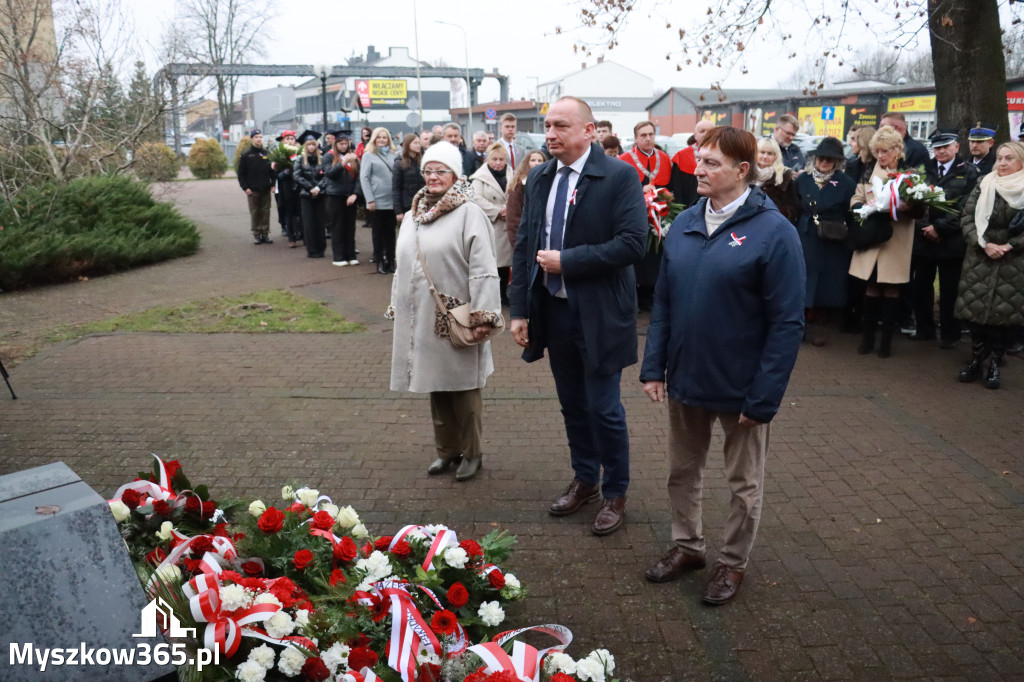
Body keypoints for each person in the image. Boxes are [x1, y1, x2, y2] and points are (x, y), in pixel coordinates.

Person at [639, 126, 805, 606]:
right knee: (681, 472)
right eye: (698, 160)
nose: (698, 169)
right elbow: (664, 301)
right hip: (687, 378)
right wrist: (654, 367)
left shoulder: (775, 233)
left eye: (711, 163)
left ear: (742, 170)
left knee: (743, 484)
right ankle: (688, 547)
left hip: (742, 386)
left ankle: (732, 564)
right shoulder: (687, 222)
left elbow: (787, 322)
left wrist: (765, 396)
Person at [508, 96, 647, 536]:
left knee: (604, 408)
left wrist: (569, 260)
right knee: (572, 405)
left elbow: (632, 244)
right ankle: (586, 478)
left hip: (601, 314)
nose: (550, 134)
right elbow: (526, 243)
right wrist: (519, 310)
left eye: (561, 126)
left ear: (590, 131)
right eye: (548, 126)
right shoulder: (541, 177)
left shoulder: (620, 175)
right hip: (554, 312)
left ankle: (616, 491)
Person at [387, 141, 502, 481]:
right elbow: (402, 263)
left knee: (464, 388)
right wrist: (398, 304)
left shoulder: (469, 213)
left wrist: (485, 315)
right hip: (422, 316)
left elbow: (483, 268)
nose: (433, 177)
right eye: (428, 170)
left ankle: (473, 452)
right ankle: (446, 451)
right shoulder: (413, 215)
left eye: (441, 171)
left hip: (458, 317)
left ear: (455, 175)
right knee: (435, 385)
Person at [953, 141, 1024, 389]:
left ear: (1021, 162)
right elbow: (967, 218)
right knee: (976, 314)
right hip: (980, 257)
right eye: (1000, 158)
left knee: (1000, 317)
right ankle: (975, 361)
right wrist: (983, 244)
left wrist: (1010, 245)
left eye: (1009, 159)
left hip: (1012, 261)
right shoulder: (985, 183)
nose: (1002, 163)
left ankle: (994, 365)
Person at [849, 125, 918, 358]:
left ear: (897, 150)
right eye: (877, 151)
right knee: (870, 287)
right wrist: (864, 208)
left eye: (885, 151)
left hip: (896, 240)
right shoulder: (868, 171)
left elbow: (921, 208)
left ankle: (886, 342)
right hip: (871, 236)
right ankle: (867, 339)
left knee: (890, 288)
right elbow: (856, 198)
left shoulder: (909, 173)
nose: (880, 156)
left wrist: (907, 206)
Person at [909, 128, 978, 347]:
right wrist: (926, 227)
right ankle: (924, 329)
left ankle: (950, 335)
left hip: (952, 241)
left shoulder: (969, 172)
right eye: (937, 148)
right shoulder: (922, 170)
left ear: (956, 147)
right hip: (923, 239)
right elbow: (913, 201)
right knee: (921, 287)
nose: (940, 152)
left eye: (945, 147)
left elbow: (967, 207)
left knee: (950, 290)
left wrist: (940, 228)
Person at [793, 137, 856, 346]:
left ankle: (820, 328)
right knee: (802, 281)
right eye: (822, 158)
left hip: (832, 240)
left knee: (827, 286)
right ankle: (798, 328)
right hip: (806, 236)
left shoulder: (846, 184)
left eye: (830, 159)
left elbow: (850, 214)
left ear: (837, 162)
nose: (825, 162)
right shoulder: (803, 180)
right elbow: (794, 207)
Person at [470, 143, 512, 304]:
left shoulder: (511, 173)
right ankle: (493, 295)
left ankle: (503, 294)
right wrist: (498, 211)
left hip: (507, 223)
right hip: (491, 224)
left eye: (501, 159)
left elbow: (516, 193)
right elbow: (476, 198)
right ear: (488, 159)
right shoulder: (479, 177)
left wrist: (509, 209)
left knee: (506, 264)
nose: (498, 162)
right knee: (493, 263)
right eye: (494, 159)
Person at [360, 126, 398, 273]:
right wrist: (370, 199)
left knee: (390, 232)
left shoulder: (394, 154)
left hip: (392, 199)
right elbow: (364, 177)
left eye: (385, 137)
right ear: (374, 139)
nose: (382, 140)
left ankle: (390, 259)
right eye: (379, 137)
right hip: (377, 199)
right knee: (378, 233)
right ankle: (380, 261)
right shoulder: (369, 155)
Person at [322, 132, 362, 266]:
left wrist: (355, 194)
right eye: (341, 143)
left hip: (350, 196)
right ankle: (339, 256)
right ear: (336, 144)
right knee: (337, 226)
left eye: (346, 143)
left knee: (350, 226)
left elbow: (358, 177)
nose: (344, 146)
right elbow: (329, 174)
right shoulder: (328, 156)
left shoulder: (353, 157)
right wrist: (343, 162)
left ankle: (351, 254)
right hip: (335, 195)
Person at [237, 128, 275, 245]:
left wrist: (273, 185)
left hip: (265, 188)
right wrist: (245, 187)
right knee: (255, 212)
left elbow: (272, 171)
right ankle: (257, 234)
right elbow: (241, 173)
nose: (258, 139)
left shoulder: (266, 153)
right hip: (252, 190)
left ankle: (265, 233)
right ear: (252, 139)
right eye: (256, 137)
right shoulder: (246, 155)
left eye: (260, 137)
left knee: (265, 211)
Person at [505, 149, 548, 253]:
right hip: (526, 240)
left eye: (540, 160)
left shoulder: (549, 183)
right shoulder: (519, 185)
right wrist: (518, 244)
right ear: (527, 163)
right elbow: (513, 218)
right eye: (533, 160)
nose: (536, 163)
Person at [293, 130, 326, 258]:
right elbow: (296, 175)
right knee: (308, 223)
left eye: (313, 144)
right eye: (309, 145)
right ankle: (311, 249)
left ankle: (321, 248)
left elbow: (327, 176)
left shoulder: (322, 160)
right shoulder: (300, 160)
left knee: (320, 222)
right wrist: (310, 188)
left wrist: (318, 187)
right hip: (306, 195)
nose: (311, 147)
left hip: (320, 194)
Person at [754, 137, 799, 224]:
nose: (765, 156)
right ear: (756, 153)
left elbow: (793, 207)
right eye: (762, 152)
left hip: (773, 225)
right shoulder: (746, 174)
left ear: (775, 156)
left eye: (770, 153)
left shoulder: (784, 176)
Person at [670, 119, 714, 207]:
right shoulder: (681, 156)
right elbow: (676, 189)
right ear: (695, 135)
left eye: (710, 131)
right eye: (702, 131)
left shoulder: (724, 156)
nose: (706, 134)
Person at [619, 121, 671, 190]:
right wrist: (641, 189)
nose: (648, 139)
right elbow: (620, 187)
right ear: (636, 138)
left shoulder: (665, 158)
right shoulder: (623, 159)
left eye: (651, 134)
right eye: (644, 135)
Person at [271, 130, 302, 247]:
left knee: (300, 212)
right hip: (286, 187)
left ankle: (303, 235)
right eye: (287, 139)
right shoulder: (279, 154)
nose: (290, 141)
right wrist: (285, 172)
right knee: (289, 212)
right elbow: (275, 173)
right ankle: (291, 237)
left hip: (299, 186)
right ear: (283, 141)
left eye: (292, 139)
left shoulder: (299, 152)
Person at [393, 133, 426, 225]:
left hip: (423, 204)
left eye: (419, 143)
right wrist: (398, 211)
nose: (418, 145)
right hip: (407, 205)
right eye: (415, 143)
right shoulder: (399, 164)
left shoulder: (423, 162)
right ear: (408, 144)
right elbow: (396, 188)